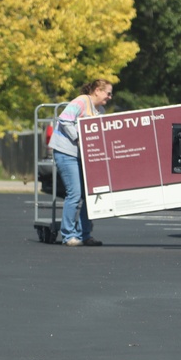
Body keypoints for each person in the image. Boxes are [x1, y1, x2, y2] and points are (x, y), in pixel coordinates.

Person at [49, 79, 113, 246]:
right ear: (97, 90)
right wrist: (79, 138)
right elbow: (64, 119)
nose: (110, 97)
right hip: (66, 153)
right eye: (108, 93)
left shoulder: (101, 110)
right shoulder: (81, 101)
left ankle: (84, 234)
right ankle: (68, 235)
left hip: (84, 156)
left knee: (89, 196)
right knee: (75, 194)